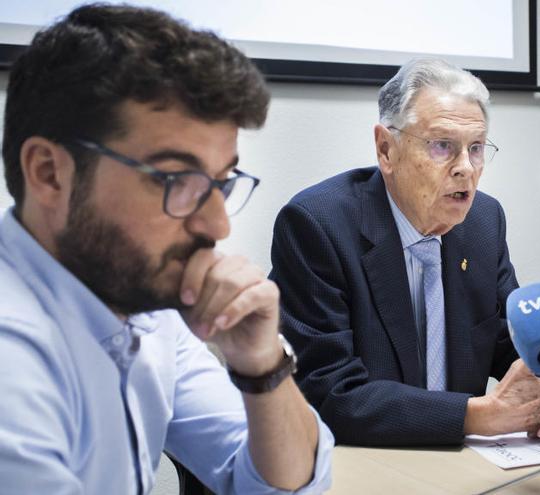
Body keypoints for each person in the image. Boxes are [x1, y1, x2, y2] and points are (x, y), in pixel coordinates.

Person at [0, 5, 332, 493]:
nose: (217, 223)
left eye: (222, 182)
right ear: (50, 173)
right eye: (178, 179)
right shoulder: (12, 362)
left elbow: (283, 485)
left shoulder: (140, 303)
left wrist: (261, 363)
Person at [270, 57, 540, 446]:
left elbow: (507, 344)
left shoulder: (484, 221)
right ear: (386, 150)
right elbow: (328, 393)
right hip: (359, 461)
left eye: (477, 148)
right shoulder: (318, 225)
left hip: (460, 464)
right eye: (442, 146)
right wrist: (479, 416)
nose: (465, 168)